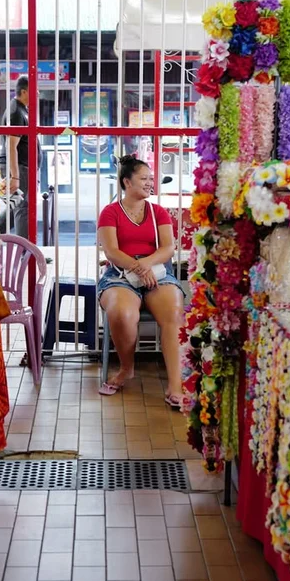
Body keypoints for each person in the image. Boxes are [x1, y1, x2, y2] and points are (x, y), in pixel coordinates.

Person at [97, 156, 185, 407]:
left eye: (151, 179)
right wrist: (136, 266)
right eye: (143, 179)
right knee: (123, 314)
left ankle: (175, 386)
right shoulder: (110, 212)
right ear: (126, 181)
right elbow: (111, 252)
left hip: (157, 271)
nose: (150, 183)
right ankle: (127, 368)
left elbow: (168, 248)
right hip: (119, 274)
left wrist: (145, 265)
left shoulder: (158, 212)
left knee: (174, 313)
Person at [0, 75, 41, 240]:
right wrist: (14, 176)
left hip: (20, 168)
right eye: (34, 90)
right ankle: (25, 254)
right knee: (22, 207)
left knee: (14, 209)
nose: (37, 93)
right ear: (23, 91)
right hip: (16, 168)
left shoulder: (22, 110)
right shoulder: (16, 111)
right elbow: (11, 146)